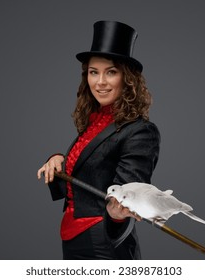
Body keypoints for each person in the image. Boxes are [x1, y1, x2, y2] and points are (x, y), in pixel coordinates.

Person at [37, 20, 160, 260]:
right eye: (94, 72)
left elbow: (128, 197)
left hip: (105, 243)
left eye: (111, 72)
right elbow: (86, 171)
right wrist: (57, 158)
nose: (100, 82)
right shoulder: (95, 123)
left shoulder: (140, 132)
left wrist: (118, 212)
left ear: (128, 79)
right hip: (73, 236)